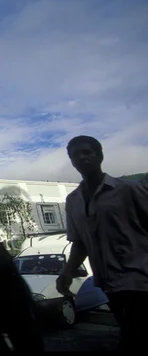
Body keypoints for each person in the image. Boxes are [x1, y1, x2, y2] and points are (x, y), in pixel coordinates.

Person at [56, 135, 148, 351]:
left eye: (87, 152)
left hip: (140, 279)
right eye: (76, 155)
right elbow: (80, 243)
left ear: (99, 155)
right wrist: (67, 273)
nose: (82, 158)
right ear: (72, 161)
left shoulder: (129, 189)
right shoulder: (73, 200)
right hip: (108, 283)